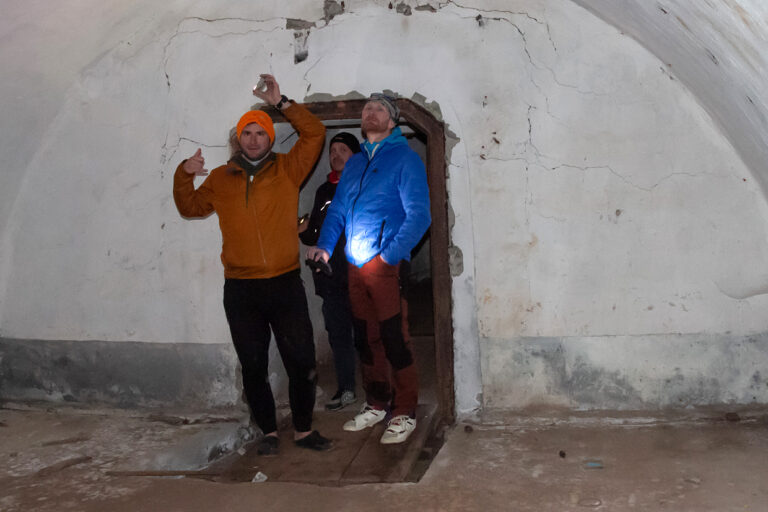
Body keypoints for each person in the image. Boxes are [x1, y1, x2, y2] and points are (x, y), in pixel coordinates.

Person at [173, 74, 331, 455]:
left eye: (261, 133)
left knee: (301, 361)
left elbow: (315, 134)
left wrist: (281, 104)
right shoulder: (221, 178)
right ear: (238, 139)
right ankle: (269, 433)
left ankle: (304, 430)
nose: (254, 139)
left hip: (285, 283)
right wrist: (184, 174)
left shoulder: (289, 169)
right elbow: (190, 207)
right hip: (242, 290)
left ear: (270, 138)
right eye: (247, 133)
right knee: (254, 365)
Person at [307, 93, 431, 445]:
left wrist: (389, 256)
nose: (370, 112)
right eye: (366, 109)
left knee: (395, 339)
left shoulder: (404, 159)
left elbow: (420, 215)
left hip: (385, 266)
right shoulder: (356, 163)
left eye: (378, 109)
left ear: (392, 122)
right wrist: (326, 247)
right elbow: (337, 211)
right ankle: (377, 403)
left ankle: (404, 411)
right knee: (365, 339)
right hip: (355, 267)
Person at [299, 132, 361, 412]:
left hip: (361, 275)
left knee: (368, 336)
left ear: (355, 156)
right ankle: (346, 389)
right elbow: (315, 234)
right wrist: (303, 229)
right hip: (331, 277)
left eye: (343, 150)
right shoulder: (324, 191)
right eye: (332, 151)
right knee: (338, 335)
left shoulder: (366, 185)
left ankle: (379, 394)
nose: (336, 155)